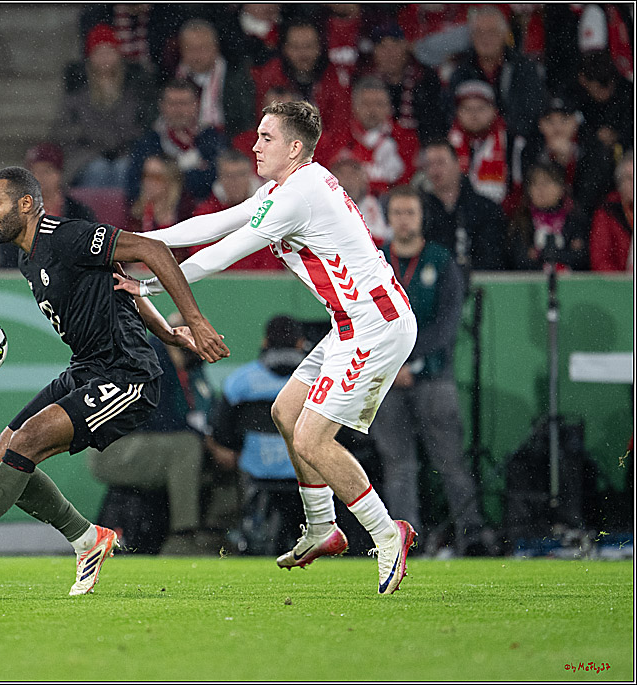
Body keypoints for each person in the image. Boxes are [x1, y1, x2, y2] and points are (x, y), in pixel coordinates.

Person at [115, 100, 419, 594]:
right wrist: (131, 244)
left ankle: (388, 534)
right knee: (285, 413)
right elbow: (211, 225)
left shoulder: (297, 196)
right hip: (352, 322)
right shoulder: (288, 187)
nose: (254, 146)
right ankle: (323, 528)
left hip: (375, 324)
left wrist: (149, 283)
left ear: (295, 147)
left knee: (312, 439)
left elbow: (224, 252)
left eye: (266, 138)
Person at [0, 166, 229, 594]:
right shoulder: (28, 258)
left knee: (25, 444)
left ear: (26, 204)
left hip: (127, 373)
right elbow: (122, 287)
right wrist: (168, 332)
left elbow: (153, 250)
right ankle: (88, 539)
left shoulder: (65, 236)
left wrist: (194, 321)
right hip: (85, 367)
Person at [373, 185, 490, 556]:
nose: (404, 220)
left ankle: (473, 536)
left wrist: (407, 359)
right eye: (398, 213)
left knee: (451, 464)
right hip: (386, 381)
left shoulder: (441, 261)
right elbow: (366, 319)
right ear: (388, 218)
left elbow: (447, 324)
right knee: (398, 466)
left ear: (422, 217)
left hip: (434, 377)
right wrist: (395, 365)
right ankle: (405, 542)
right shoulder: (373, 260)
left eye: (411, 213)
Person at [86, 334, 207, 555]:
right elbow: (159, 419)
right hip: (113, 450)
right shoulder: (149, 360)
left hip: (135, 445)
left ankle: (214, 536)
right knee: (187, 446)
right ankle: (182, 538)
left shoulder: (174, 366)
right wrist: (204, 438)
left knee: (203, 454)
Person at [209, 315, 310, 556]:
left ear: (265, 342)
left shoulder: (240, 381)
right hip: (304, 469)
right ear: (300, 344)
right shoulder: (318, 380)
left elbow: (222, 431)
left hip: (255, 467)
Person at [54, 24, 153, 190]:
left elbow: (140, 126)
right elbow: (63, 130)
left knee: (123, 169)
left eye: (109, 52)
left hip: (125, 153)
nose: (105, 58)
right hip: (86, 155)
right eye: (99, 52)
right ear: (90, 57)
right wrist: (92, 137)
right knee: (97, 170)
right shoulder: (77, 90)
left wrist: (116, 139)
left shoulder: (134, 88)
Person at [446, 5, 547, 141]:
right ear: (471, 37)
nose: (485, 38)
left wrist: (497, 127)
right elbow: (451, 114)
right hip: (469, 145)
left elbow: (530, 115)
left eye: (492, 32)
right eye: (479, 32)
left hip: (515, 146)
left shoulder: (523, 68)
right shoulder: (461, 71)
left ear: (504, 34)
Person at [313, 75, 420, 197]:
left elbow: (407, 181)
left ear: (389, 107)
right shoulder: (336, 138)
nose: (373, 110)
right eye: (366, 104)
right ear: (354, 107)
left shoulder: (405, 138)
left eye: (379, 104)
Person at [126, 79, 228, 204]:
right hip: (159, 214)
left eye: (183, 103)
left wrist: (167, 176)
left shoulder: (212, 138)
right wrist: (193, 173)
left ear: (196, 105)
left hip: (204, 213)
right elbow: (134, 187)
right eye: (172, 103)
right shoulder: (148, 141)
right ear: (161, 106)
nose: (178, 110)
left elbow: (220, 182)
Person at [0, 142, 97, 268]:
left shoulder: (79, 212)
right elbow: (9, 263)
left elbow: (91, 253)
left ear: (59, 174)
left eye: (47, 171)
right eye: (35, 172)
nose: (40, 178)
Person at [419, 140, 510, 273]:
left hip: (479, 286)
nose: (434, 170)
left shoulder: (486, 209)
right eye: (429, 164)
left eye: (440, 162)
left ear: (457, 164)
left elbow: (493, 258)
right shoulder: (420, 209)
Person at [185, 148, 282, 271]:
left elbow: (274, 261)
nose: (234, 181)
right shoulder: (206, 212)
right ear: (220, 177)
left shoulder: (270, 209)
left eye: (240, 174)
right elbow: (200, 259)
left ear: (250, 175)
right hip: (220, 285)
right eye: (228, 175)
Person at [447, 80, 524, 210]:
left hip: (499, 217)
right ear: (458, 112)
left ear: (494, 111)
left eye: (480, 108)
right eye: (467, 108)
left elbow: (518, 189)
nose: (474, 115)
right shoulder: (447, 144)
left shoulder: (512, 142)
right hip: (456, 216)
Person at [173, 18, 256, 137]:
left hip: (225, 143)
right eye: (190, 48)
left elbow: (245, 121)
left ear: (215, 47)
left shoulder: (236, 78)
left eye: (202, 48)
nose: (196, 55)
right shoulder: (169, 75)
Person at [506, 162, 589, 272]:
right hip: (532, 285)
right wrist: (563, 255)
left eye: (547, 183)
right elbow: (519, 260)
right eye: (535, 184)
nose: (541, 189)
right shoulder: (522, 220)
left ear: (561, 188)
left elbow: (581, 259)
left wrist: (542, 254)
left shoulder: (575, 219)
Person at [126, 154, 195, 264]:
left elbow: (189, 254)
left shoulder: (186, 212)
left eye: (155, 177)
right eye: (145, 175)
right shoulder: (136, 215)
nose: (148, 182)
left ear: (170, 179)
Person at [589, 153, 634, 272]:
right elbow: (600, 259)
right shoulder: (607, 212)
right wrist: (622, 284)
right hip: (619, 285)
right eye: (629, 178)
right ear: (620, 183)